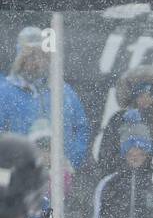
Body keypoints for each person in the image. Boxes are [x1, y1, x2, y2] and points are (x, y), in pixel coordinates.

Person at [0, 27, 90, 171]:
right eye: (29, 56)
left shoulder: (63, 92)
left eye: (40, 56)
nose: (35, 62)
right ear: (20, 58)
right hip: (17, 178)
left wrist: (70, 161)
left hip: (57, 177)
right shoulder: (5, 92)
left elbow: (81, 128)